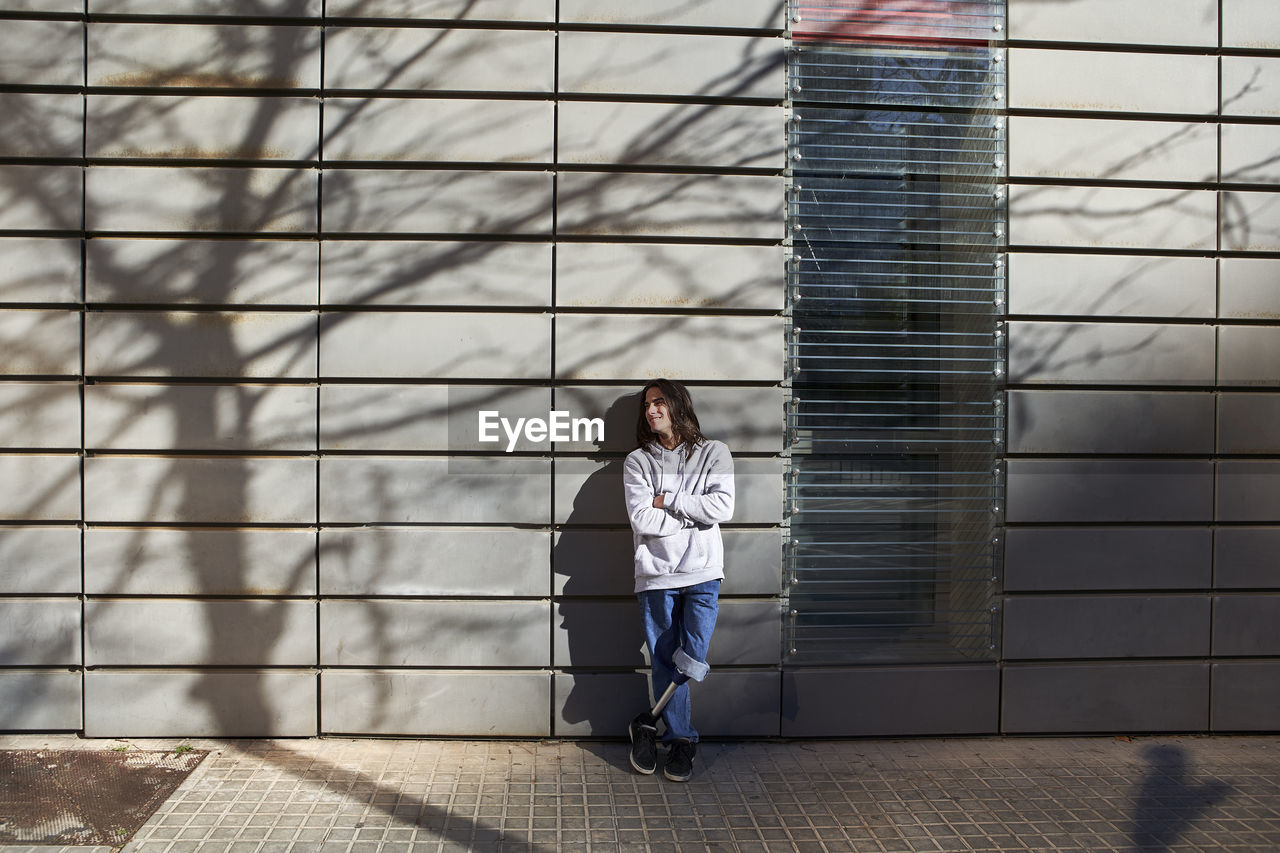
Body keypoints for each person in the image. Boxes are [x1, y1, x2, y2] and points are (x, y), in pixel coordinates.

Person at [622, 378, 735, 782]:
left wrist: (668, 499)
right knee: (665, 660)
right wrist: (694, 510)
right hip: (656, 575)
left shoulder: (715, 453)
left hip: (704, 573)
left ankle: (647, 723)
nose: (651, 411)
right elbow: (643, 520)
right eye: (646, 405)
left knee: (693, 660)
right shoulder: (637, 462)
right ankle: (683, 741)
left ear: (677, 404)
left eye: (658, 403)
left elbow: (721, 506)